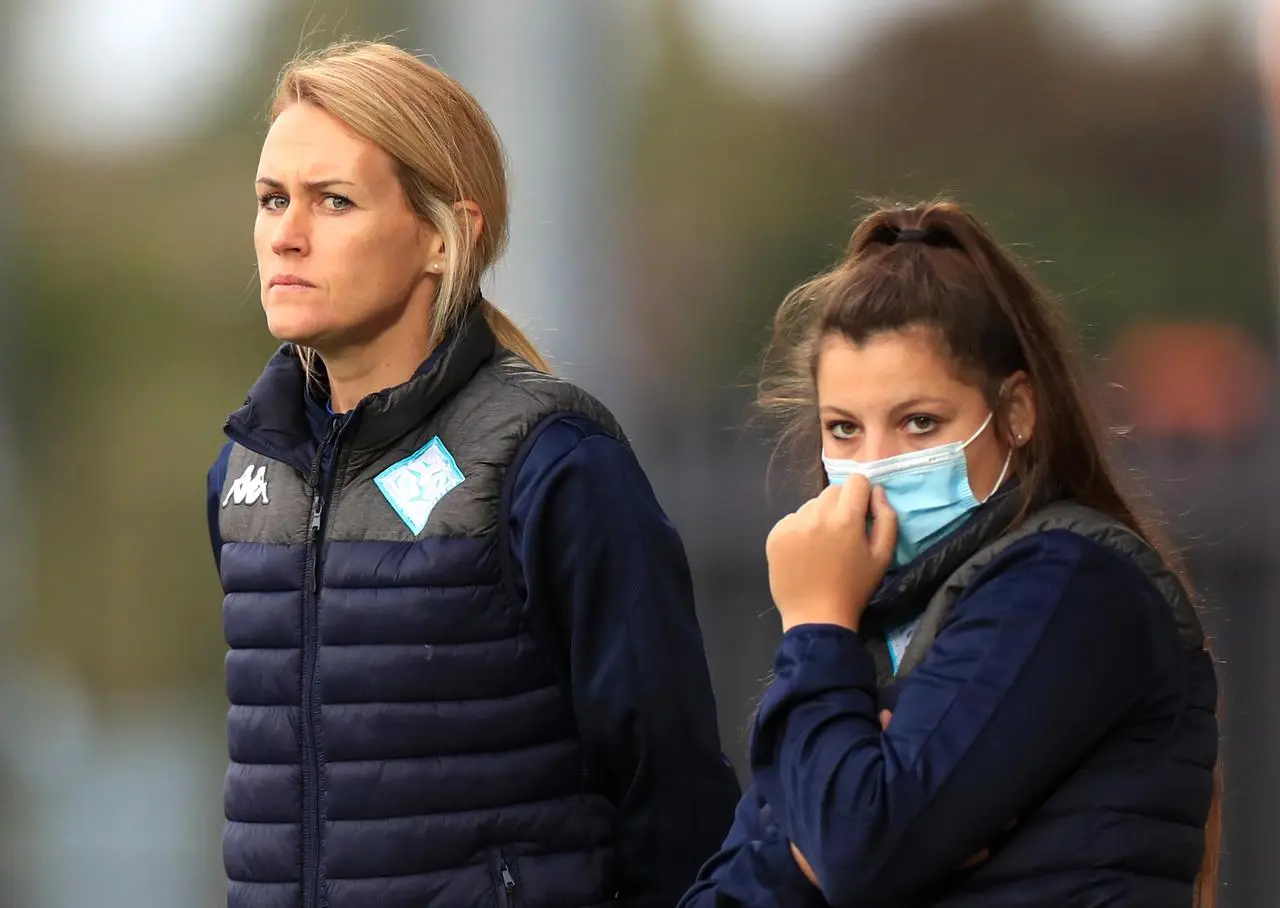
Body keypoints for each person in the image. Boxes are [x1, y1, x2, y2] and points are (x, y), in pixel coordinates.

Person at [205, 41, 741, 908]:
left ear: (444, 235)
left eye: (334, 201)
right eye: (273, 199)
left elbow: (674, 802)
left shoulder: (557, 464)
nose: (287, 234)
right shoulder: (246, 475)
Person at [679, 201, 1220, 907]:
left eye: (919, 422)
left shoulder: (1068, 582)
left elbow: (858, 849)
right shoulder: (870, 623)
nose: (872, 466)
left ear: (1016, 412)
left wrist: (812, 623)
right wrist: (819, 837)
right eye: (844, 429)